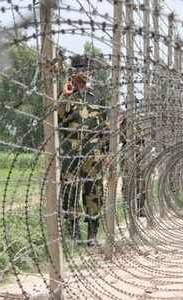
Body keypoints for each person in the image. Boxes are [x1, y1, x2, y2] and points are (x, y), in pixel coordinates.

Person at [58, 55, 109, 246]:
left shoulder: (97, 97)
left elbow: (105, 126)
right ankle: (73, 234)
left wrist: (107, 152)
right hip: (71, 152)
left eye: (89, 70)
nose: (87, 73)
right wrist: (67, 95)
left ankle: (92, 234)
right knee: (69, 192)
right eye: (82, 69)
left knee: (93, 192)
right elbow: (58, 118)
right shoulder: (65, 94)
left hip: (93, 153)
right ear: (74, 71)